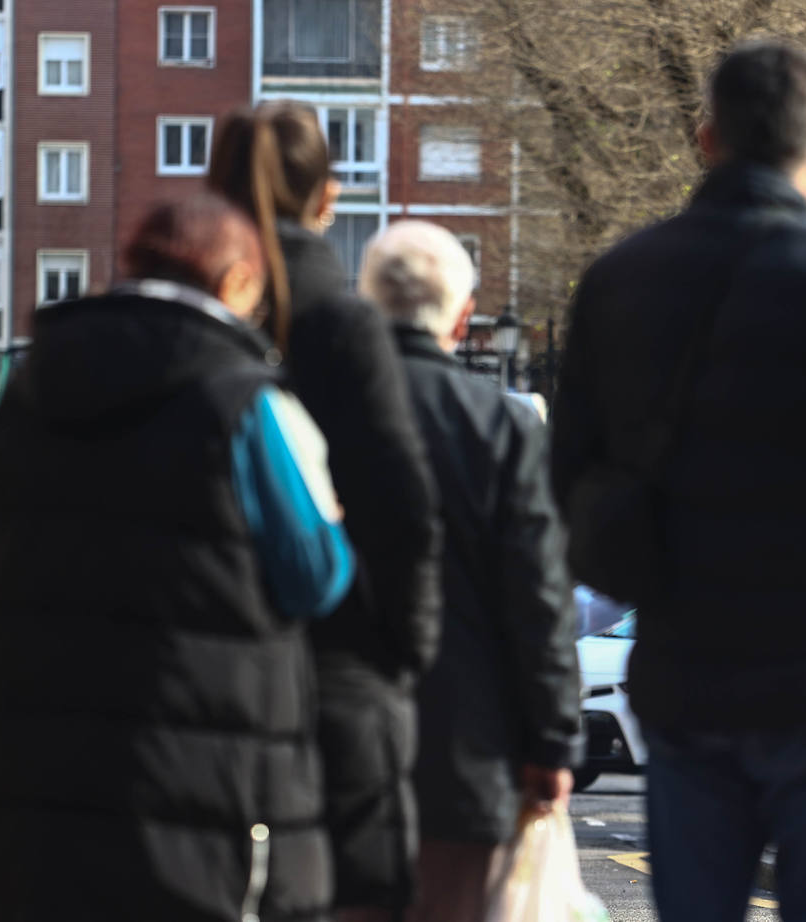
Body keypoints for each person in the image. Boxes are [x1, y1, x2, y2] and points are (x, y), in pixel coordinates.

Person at [550, 40, 806, 922]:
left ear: (707, 138)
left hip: (687, 670)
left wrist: (645, 581)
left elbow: (571, 485)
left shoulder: (621, 283)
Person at [0, 192, 357, 922]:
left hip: (23, 818)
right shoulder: (247, 404)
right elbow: (314, 576)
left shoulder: (31, 399)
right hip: (200, 821)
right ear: (238, 282)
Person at [209, 102, 442, 921]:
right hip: (337, 678)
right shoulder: (344, 326)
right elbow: (405, 510)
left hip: (206, 675)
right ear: (328, 199)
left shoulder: (190, 327)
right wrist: (400, 662)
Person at [358, 221, 580, 922]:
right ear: (460, 316)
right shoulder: (500, 422)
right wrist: (551, 738)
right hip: (469, 749)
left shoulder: (307, 401)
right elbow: (538, 593)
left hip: (332, 749)